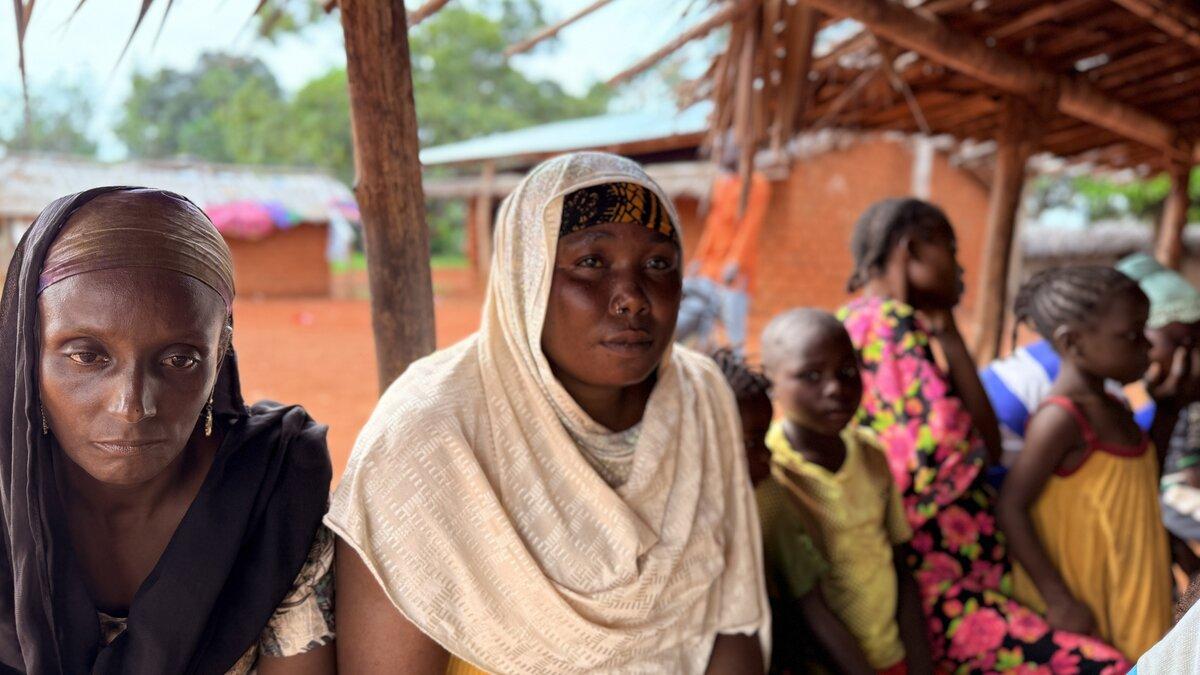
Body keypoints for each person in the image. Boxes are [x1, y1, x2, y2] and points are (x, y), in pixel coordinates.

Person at [329, 152, 768, 674]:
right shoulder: (431, 435)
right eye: (590, 263)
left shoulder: (699, 399)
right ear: (526, 275)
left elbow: (730, 622)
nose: (631, 297)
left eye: (657, 264)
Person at [0, 188, 334, 673]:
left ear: (219, 356)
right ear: (27, 351)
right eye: (86, 355)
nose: (132, 405)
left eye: (179, 360)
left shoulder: (272, 493)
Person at [838, 197, 1130, 672]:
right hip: (939, 587)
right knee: (1102, 665)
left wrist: (949, 332)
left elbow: (986, 444)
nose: (960, 267)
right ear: (912, 250)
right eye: (950, 249)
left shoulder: (893, 327)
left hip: (962, 578)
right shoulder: (885, 325)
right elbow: (944, 453)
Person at [997, 266, 1172, 661]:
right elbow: (1011, 506)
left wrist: (1168, 409)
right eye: (1131, 335)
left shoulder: (1115, 408)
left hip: (1130, 586)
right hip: (1089, 598)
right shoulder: (1061, 419)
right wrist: (1059, 599)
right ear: (1073, 342)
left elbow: (1135, 488)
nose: (1146, 345)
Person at [761, 309, 931, 675]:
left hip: (892, 654)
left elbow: (899, 564)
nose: (836, 388)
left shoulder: (870, 454)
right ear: (770, 382)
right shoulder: (773, 471)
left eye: (847, 371)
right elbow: (806, 603)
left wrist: (919, 663)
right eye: (810, 375)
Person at [710, 348, 873, 675]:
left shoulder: (767, 502)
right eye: (752, 442)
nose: (766, 455)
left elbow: (812, 607)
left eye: (764, 439)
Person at [675, 152, 770, 352]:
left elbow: (749, 227)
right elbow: (712, 225)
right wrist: (699, 259)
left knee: (733, 329)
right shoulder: (721, 183)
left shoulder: (756, 184)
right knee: (698, 320)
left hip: (734, 273)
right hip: (709, 269)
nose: (724, 152)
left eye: (731, 147)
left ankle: (738, 365)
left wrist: (736, 262)